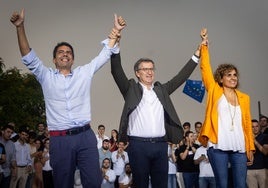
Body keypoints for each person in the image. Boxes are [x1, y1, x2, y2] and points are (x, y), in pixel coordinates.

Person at [10, 9, 126, 188]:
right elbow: (28, 57)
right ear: (54, 60)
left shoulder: (83, 73)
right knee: (63, 183)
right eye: (61, 52)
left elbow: (104, 54)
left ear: (72, 59)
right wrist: (20, 27)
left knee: (94, 182)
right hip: (60, 139)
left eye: (69, 52)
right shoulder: (45, 76)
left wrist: (116, 31)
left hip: (85, 137)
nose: (65, 54)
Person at [111, 26, 202, 187]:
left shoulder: (162, 90)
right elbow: (116, 71)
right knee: (141, 184)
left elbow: (181, 77)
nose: (149, 72)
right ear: (137, 73)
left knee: (161, 184)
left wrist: (197, 55)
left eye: (152, 69)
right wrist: (116, 45)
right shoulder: (130, 89)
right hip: (138, 146)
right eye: (145, 69)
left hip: (161, 146)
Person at [197, 28, 255, 188]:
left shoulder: (244, 98)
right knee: (222, 184)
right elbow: (205, 68)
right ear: (220, 79)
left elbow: (247, 124)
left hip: (239, 148)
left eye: (235, 75)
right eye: (228, 75)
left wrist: (250, 146)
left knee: (240, 185)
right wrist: (204, 46)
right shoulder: (215, 90)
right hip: (218, 147)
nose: (233, 78)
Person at [246, 119, 268, 188]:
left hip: (262, 169)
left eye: (256, 126)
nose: (255, 128)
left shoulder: (265, 136)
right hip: (249, 170)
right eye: (252, 127)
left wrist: (254, 141)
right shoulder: (246, 138)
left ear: (259, 127)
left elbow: (265, 152)